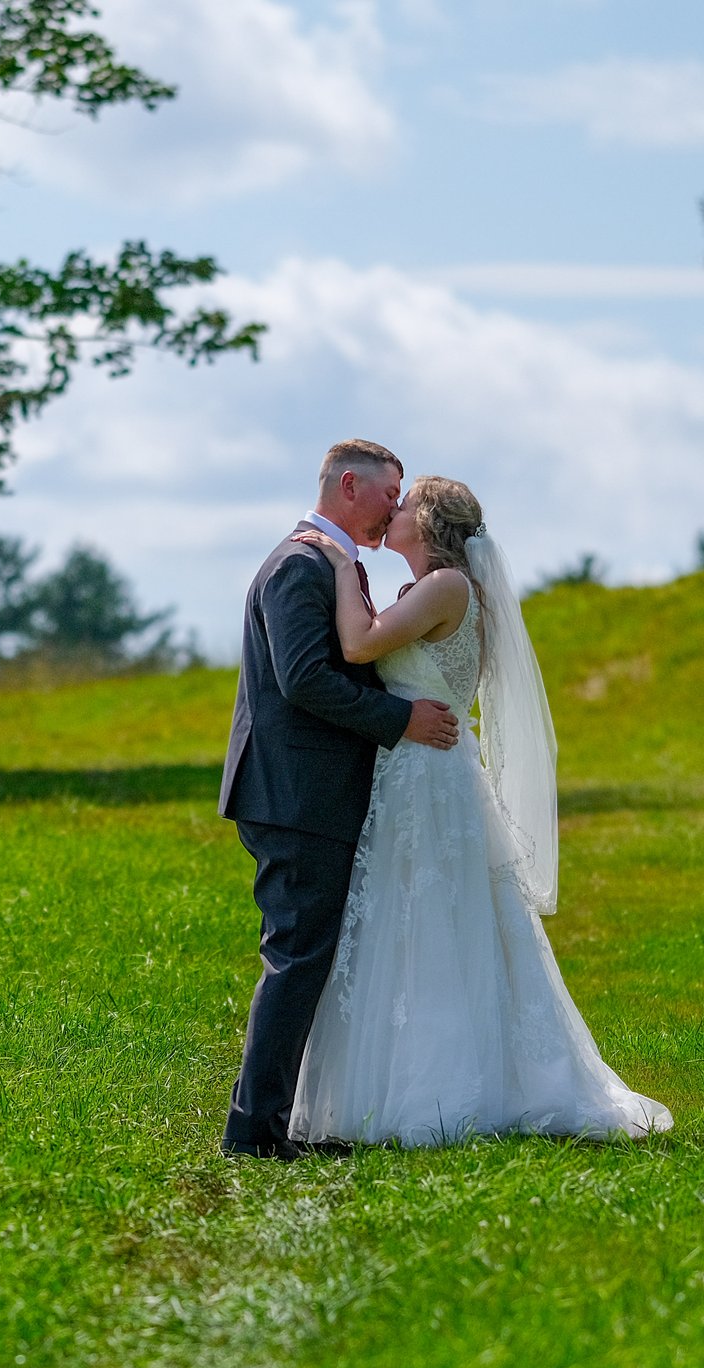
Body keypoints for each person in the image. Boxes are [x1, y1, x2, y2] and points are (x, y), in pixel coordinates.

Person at [289, 474, 671, 1145]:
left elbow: (357, 646)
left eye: (405, 504)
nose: (394, 511)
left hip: (428, 779)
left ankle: (434, 1090)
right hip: (418, 769)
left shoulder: (446, 586)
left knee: (430, 922)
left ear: (429, 521)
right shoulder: (433, 590)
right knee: (413, 920)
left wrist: (342, 561)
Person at [217, 440, 462, 1160]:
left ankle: (277, 1122)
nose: (397, 506)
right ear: (350, 486)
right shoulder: (300, 564)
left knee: (307, 958)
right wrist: (400, 720)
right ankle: (255, 1135)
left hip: (306, 793)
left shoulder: (329, 563)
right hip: (295, 794)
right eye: (390, 492)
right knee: (296, 959)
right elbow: (304, 680)